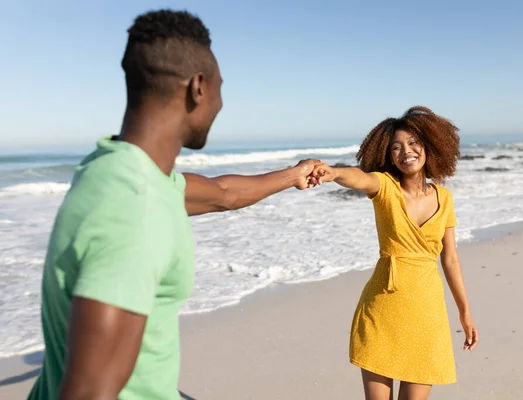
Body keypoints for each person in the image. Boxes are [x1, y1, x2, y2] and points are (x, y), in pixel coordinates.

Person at [27, 9, 321, 400]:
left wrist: (293, 174)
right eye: (220, 87)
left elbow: (222, 194)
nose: (219, 103)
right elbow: (89, 393)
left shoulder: (118, 167)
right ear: (198, 88)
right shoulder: (135, 207)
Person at [312, 106, 478, 400]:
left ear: (430, 146)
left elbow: (450, 258)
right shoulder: (384, 187)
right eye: (397, 147)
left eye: (414, 143)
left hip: (427, 312)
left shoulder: (445, 198)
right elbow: (359, 178)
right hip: (383, 307)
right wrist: (334, 173)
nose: (407, 152)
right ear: (389, 156)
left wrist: (465, 311)